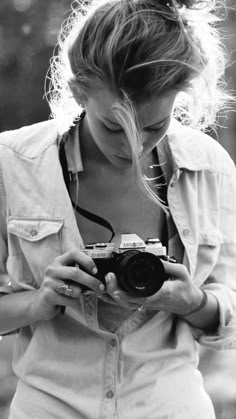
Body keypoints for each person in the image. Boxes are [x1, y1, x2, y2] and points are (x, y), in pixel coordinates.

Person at [0, 0, 236, 417]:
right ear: (78, 92)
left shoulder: (208, 166)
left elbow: (229, 315)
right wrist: (40, 302)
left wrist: (189, 300)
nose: (133, 147)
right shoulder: (12, 164)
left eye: (153, 127)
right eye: (114, 126)